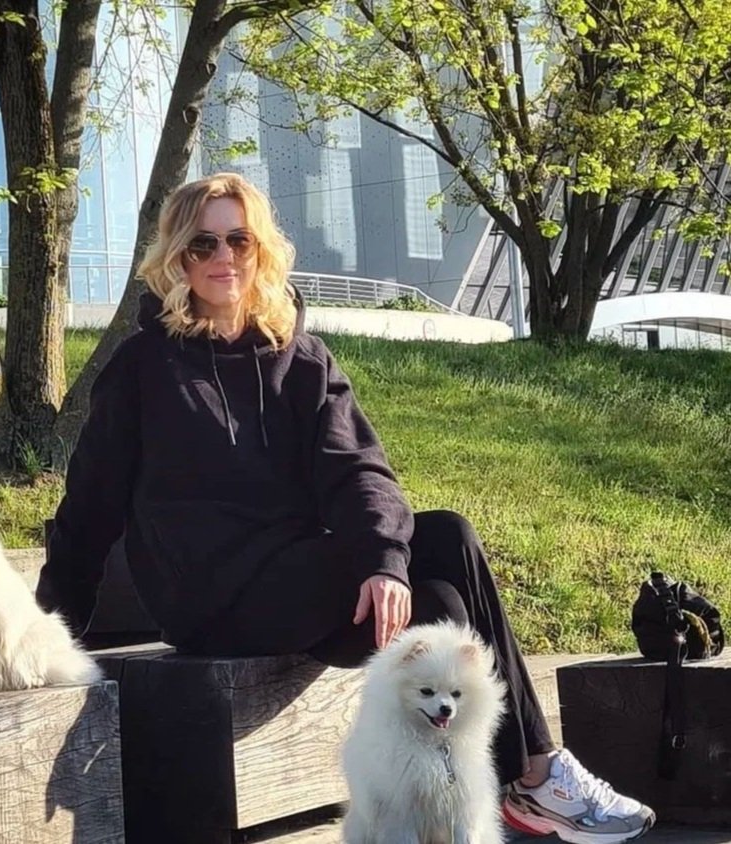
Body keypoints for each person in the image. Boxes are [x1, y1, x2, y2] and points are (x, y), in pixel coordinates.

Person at [35, 172, 655, 843]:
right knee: (438, 580)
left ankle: (510, 791)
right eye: (201, 245)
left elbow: (359, 469)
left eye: (237, 240)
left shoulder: (298, 357)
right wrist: (42, 634)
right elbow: (89, 509)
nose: (222, 259)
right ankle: (533, 778)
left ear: (260, 249)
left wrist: (385, 563)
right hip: (210, 600)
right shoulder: (143, 369)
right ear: (176, 259)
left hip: (303, 586)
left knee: (442, 571)